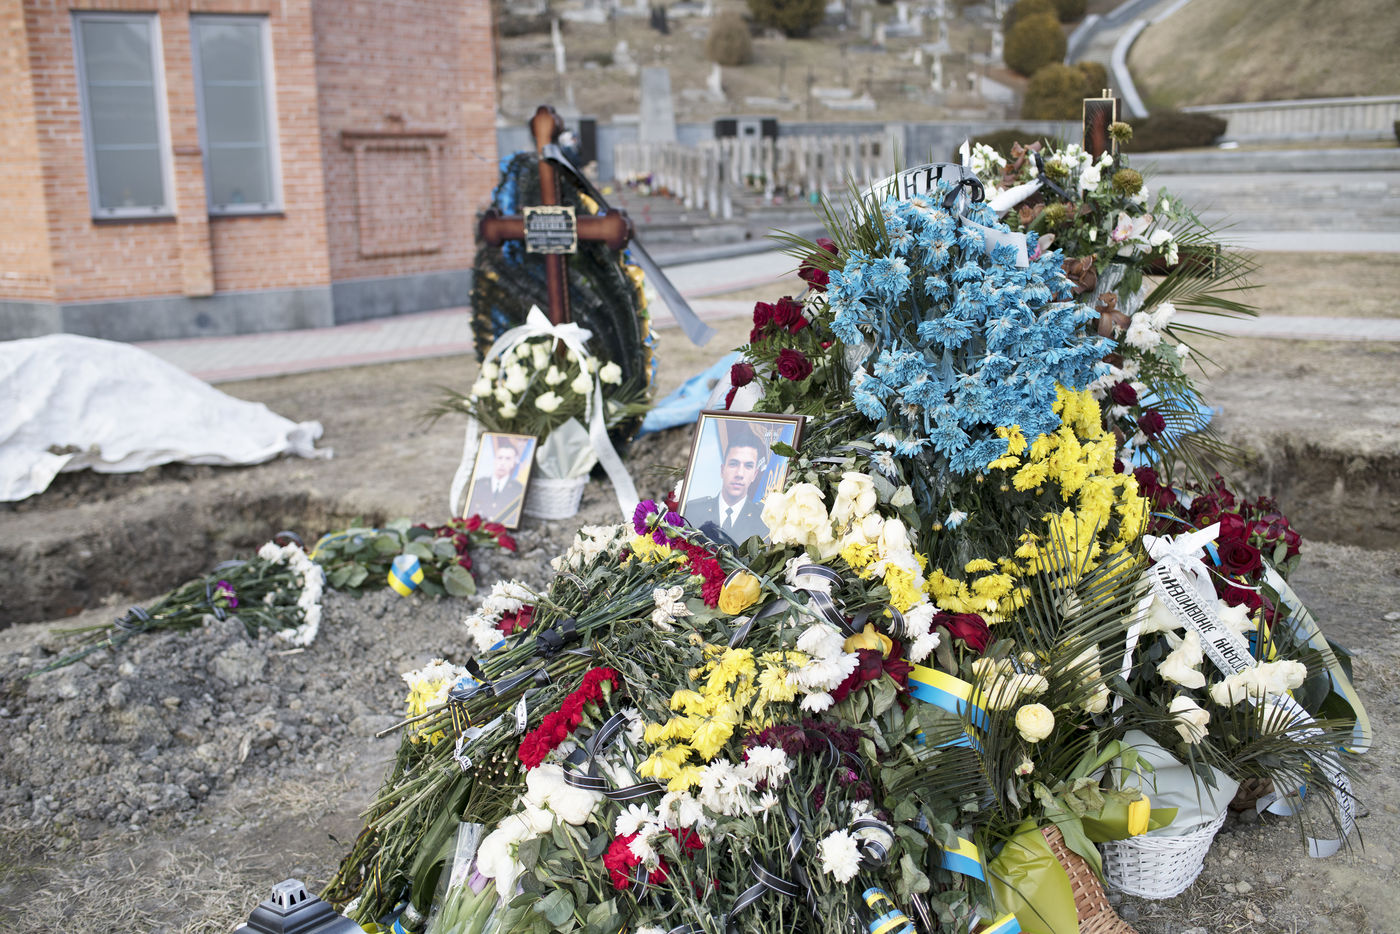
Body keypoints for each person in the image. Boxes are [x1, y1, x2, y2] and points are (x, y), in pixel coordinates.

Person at [684, 424, 769, 543]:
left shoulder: (764, 520)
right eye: (733, 464)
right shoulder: (692, 510)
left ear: (754, 475)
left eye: (748, 466)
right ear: (722, 470)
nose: (739, 474)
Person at [467, 436, 527, 524]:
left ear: (513, 463)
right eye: (500, 458)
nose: (502, 463)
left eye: (508, 459)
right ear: (494, 460)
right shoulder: (478, 484)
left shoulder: (518, 489)